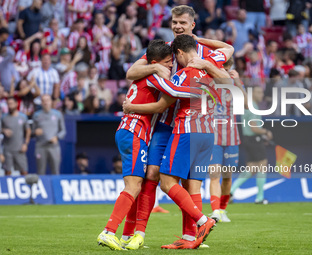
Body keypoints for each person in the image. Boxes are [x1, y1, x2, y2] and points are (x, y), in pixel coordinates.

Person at [122, 5, 232, 250]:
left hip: (188, 123)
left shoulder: (203, 52)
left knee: (190, 184)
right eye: (174, 22)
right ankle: (137, 234)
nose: (177, 26)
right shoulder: (165, 49)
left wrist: (205, 61)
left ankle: (192, 235)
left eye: (182, 22)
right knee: (151, 175)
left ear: (193, 25)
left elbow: (228, 62)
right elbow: (132, 72)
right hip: (165, 125)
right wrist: (154, 67)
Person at [96, 39, 202, 251]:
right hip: (135, 132)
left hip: (131, 132)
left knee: (139, 183)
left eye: (171, 61)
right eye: (166, 62)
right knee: (134, 185)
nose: (170, 66)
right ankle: (108, 231)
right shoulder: (153, 76)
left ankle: (127, 235)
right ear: (155, 62)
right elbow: (174, 91)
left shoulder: (145, 73)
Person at [209, 58, 247, 223]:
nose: (222, 70)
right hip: (213, 136)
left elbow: (246, 104)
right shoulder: (209, 82)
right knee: (214, 175)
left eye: (225, 67)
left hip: (231, 137)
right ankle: (215, 210)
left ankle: (223, 210)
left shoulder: (235, 84)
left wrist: (238, 82)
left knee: (227, 176)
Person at [230, 86, 273, 204]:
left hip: (247, 139)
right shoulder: (253, 106)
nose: (261, 95)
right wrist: (266, 132)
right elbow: (254, 127)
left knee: (252, 169)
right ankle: (260, 197)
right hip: (254, 139)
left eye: (262, 92)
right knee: (262, 166)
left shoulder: (248, 106)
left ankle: (231, 191)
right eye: (258, 92)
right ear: (252, 94)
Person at [32, 94, 66, 175]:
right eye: (43, 100)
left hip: (53, 147)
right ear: (41, 102)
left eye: (47, 100)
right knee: (41, 171)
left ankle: (56, 187)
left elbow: (63, 131)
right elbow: (32, 131)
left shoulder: (57, 114)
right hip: (41, 146)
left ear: (51, 101)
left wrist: (57, 137)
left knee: (55, 171)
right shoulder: (36, 115)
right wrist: (35, 132)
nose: (45, 102)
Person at [1, 97, 31, 176]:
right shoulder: (4, 117)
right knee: (7, 171)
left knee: (24, 171)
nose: (10, 106)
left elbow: (28, 131)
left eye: (11, 104)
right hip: (7, 149)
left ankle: (26, 187)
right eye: (8, 104)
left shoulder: (23, 117)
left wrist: (25, 144)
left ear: (16, 104)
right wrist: (4, 130)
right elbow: (1, 129)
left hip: (19, 148)